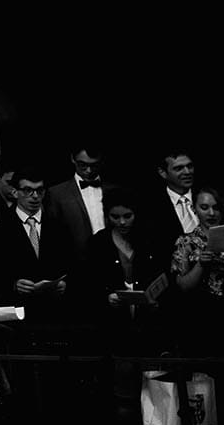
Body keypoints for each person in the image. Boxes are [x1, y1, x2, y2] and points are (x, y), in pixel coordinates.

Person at [168, 186, 224, 357]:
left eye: (216, 207)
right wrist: (201, 264)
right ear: (195, 209)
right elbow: (182, 286)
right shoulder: (186, 242)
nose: (211, 213)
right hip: (203, 318)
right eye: (204, 207)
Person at [70, 187, 164, 334]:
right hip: (111, 323)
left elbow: (160, 277)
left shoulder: (148, 241)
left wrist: (155, 299)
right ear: (107, 216)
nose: (122, 222)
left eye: (127, 216)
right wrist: (105, 298)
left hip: (147, 322)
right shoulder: (98, 243)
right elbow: (86, 284)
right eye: (115, 217)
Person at [0, 164, 70, 318]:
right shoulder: (0, 230)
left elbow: (71, 266)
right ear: (15, 192)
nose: (35, 196)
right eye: (27, 190)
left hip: (54, 310)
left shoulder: (59, 227)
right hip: (20, 311)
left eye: (39, 190)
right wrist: (14, 284)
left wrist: (65, 284)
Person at [43, 141, 106, 266]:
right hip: (76, 265)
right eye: (83, 165)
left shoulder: (114, 190)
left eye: (94, 165)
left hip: (112, 262)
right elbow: (53, 237)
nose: (89, 170)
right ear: (72, 159)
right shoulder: (56, 194)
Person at [144, 147, 198, 268]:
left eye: (189, 166)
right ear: (163, 173)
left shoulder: (207, 196)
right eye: (179, 168)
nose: (187, 172)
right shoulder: (152, 207)